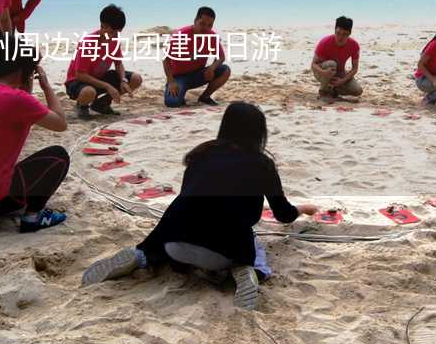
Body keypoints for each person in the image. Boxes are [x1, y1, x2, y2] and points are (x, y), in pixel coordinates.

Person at [81, 102, 319, 310]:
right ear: (259, 133)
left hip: (172, 244)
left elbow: (188, 197)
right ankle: (249, 271)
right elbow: (283, 214)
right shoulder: (263, 164)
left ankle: (140, 256)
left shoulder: (201, 154)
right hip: (222, 252)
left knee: (187, 221)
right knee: (253, 244)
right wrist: (303, 208)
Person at [0, 35, 70, 233]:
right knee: (58, 156)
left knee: (4, 167)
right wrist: (46, 86)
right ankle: (33, 217)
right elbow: (61, 123)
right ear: (22, 69)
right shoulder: (14, 99)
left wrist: (26, 82)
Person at [64, 4, 143, 119]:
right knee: (89, 92)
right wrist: (107, 86)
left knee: (136, 79)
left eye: (117, 33)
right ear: (103, 26)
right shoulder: (88, 42)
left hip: (99, 77)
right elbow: (80, 75)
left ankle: (101, 104)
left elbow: (118, 63)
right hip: (77, 81)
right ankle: (82, 106)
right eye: (112, 32)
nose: (114, 36)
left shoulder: (115, 40)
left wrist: (123, 80)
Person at [163, 6, 231, 107]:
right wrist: (171, 81)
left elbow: (221, 57)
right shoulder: (181, 35)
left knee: (225, 70)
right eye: (202, 24)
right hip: (178, 77)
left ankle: (205, 97)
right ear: (195, 21)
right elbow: (166, 60)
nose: (206, 28)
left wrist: (212, 68)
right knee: (172, 103)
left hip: (198, 74)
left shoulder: (211, 36)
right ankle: (179, 92)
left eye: (210, 25)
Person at [311, 16, 363, 99]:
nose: (340, 37)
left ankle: (334, 90)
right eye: (338, 33)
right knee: (332, 64)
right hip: (323, 71)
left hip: (340, 73)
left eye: (344, 34)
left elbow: (355, 68)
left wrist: (342, 81)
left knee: (358, 90)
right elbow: (313, 65)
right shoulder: (325, 42)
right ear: (335, 30)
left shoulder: (354, 45)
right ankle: (324, 91)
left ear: (349, 33)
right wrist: (323, 72)